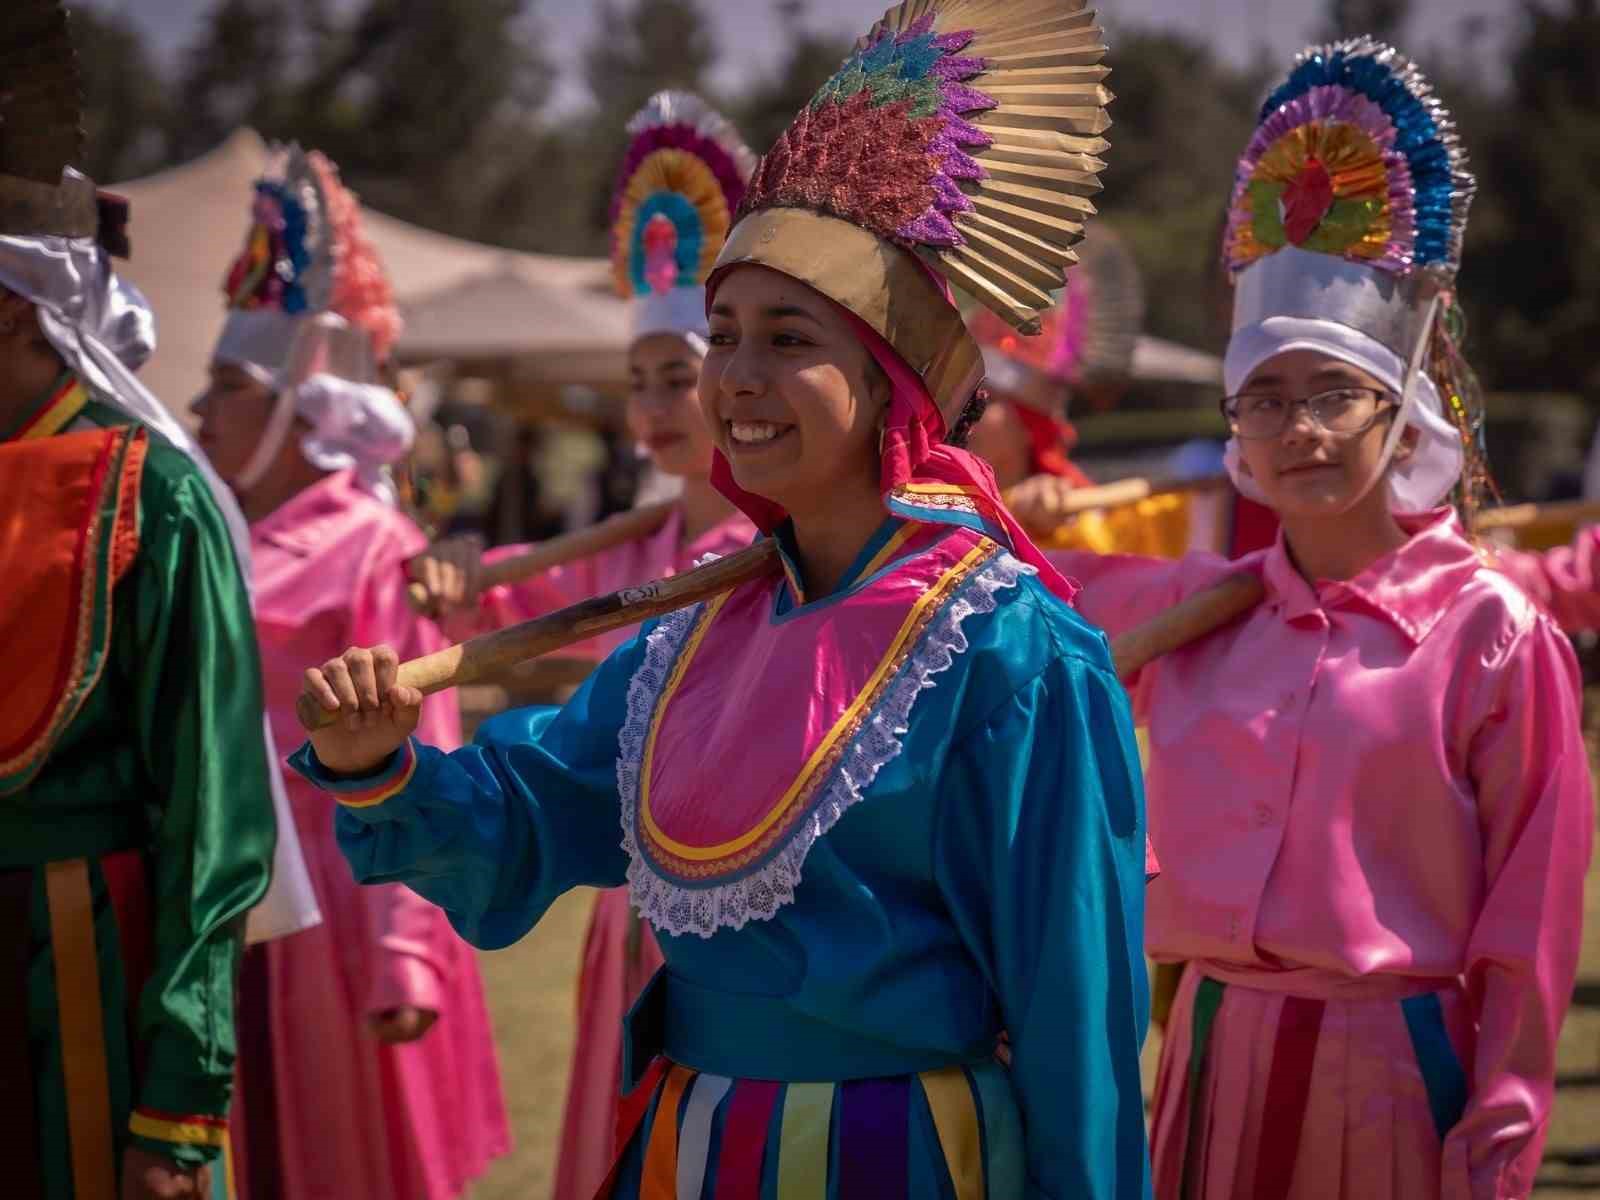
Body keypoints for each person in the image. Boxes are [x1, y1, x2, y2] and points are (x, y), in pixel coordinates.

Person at [293, 2, 1153, 1193]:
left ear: (887, 382)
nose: (736, 379)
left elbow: (1077, 1004)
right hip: (691, 1144)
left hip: (904, 1158)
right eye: (724, 335)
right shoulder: (694, 631)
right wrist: (381, 764)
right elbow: (532, 816)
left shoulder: (1012, 651)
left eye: (788, 339)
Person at [1049, 38, 1593, 1199]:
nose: (1295, 428)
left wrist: (1493, 1150)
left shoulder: (1490, 635)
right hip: (1205, 1056)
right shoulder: (1195, 612)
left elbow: (1528, 931)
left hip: (1390, 1075)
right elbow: (976, 584)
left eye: (1331, 393)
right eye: (1265, 398)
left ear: (1400, 416)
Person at [415, 90, 759, 1200]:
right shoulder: (636, 545)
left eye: (680, 375)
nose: (658, 405)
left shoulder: (799, 552)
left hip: (751, 913)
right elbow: (487, 619)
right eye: (641, 382)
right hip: (628, 914)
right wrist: (454, 566)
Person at [0, 13, 295, 1196]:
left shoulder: (154, 498)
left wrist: (177, 1103)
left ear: (19, 310)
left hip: (82, 987)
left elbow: (213, 828)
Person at [191, 145, 508, 1200]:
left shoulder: (370, 543)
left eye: (225, 390)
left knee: (342, 1163)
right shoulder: (223, 533)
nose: (199, 414)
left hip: (341, 897)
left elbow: (429, 746)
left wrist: (404, 954)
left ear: (294, 410)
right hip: (233, 886)